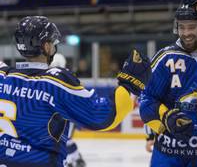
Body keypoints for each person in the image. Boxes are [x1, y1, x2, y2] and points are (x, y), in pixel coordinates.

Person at [0, 16, 151, 167]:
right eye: (52, 42)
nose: (54, 46)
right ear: (45, 47)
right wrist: (129, 85)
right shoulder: (55, 83)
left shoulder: (3, 76)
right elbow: (102, 116)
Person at [139, 0, 197, 167]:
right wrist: (164, 119)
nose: (186, 33)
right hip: (168, 152)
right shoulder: (165, 57)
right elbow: (147, 99)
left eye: (191, 27)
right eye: (182, 27)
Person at [50, 53, 86, 167]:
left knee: (63, 140)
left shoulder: (68, 78)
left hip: (64, 116)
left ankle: (72, 158)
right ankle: (75, 157)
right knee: (63, 140)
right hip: (60, 115)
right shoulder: (70, 77)